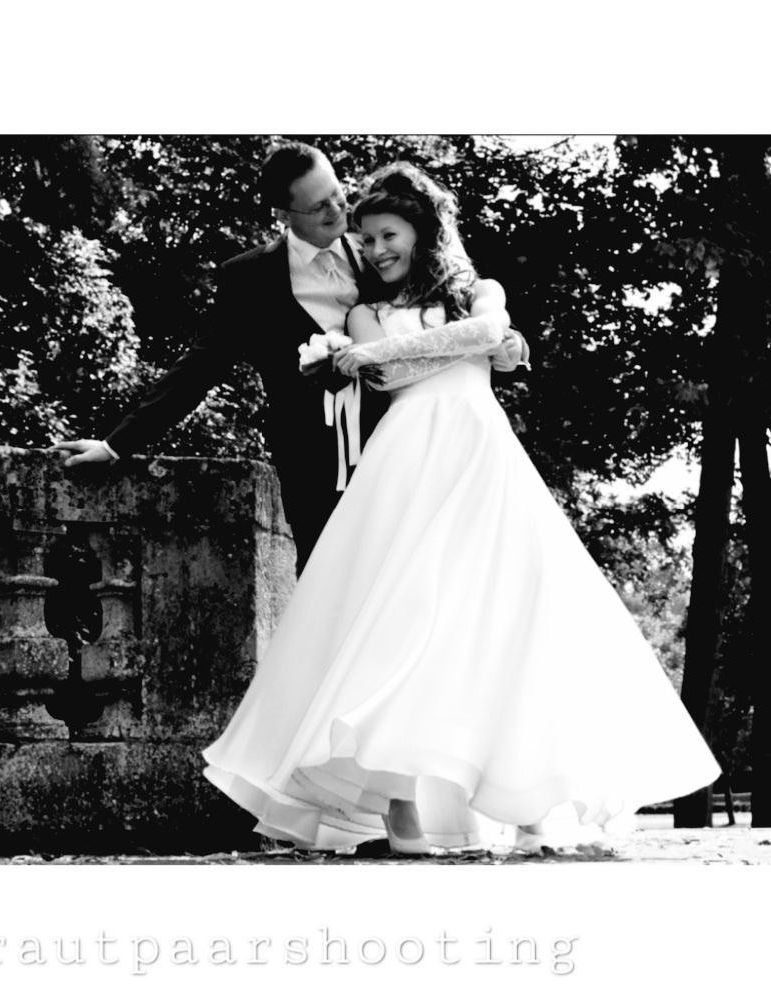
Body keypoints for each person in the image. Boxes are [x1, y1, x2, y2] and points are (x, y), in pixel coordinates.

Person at [202, 163, 720, 855]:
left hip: (482, 455)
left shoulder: (480, 291)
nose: (376, 249)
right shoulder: (363, 313)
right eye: (367, 238)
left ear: (421, 231)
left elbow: (479, 337)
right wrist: (399, 350)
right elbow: (411, 367)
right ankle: (402, 811)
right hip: (405, 462)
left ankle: (535, 802)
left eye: (388, 235)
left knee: (512, 615)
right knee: (403, 620)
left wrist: (408, 350)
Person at [51, 142, 526, 576]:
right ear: (283, 213)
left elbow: (446, 309)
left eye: (338, 195)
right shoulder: (249, 277)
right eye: (319, 207)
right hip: (312, 464)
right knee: (327, 583)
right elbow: (198, 368)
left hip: (401, 445)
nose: (338, 210)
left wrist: (507, 344)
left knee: (416, 578)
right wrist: (116, 444)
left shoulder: (381, 245)